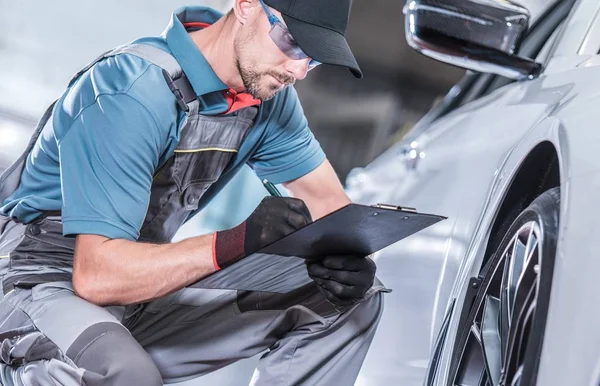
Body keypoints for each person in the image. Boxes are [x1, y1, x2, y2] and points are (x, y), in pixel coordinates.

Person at [0, 0, 388, 385]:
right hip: (37, 283)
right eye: (292, 42)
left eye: (314, 59)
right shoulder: (131, 89)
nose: (299, 70)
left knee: (349, 297)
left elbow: (332, 208)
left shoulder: (268, 102)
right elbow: (96, 277)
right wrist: (237, 241)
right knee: (121, 373)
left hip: (136, 287)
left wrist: (346, 258)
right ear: (246, 6)